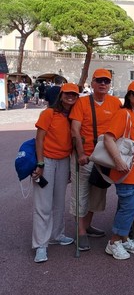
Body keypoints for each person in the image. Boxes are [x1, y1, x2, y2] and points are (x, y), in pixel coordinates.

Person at [70, 69, 122, 251]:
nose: (103, 84)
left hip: (104, 158)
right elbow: (75, 130)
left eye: (106, 81)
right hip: (85, 156)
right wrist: (81, 153)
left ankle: (87, 225)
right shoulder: (82, 103)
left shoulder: (116, 103)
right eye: (99, 80)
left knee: (97, 195)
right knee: (81, 194)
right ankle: (81, 232)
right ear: (92, 83)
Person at [103, 81, 134, 260]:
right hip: (126, 171)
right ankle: (114, 242)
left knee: (129, 208)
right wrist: (118, 160)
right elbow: (108, 139)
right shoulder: (124, 114)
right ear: (129, 96)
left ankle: (124, 238)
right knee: (128, 208)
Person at [32, 83, 80, 263]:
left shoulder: (73, 116)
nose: (71, 97)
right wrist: (40, 162)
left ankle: (57, 234)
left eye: (74, 95)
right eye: (67, 94)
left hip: (64, 161)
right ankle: (41, 245)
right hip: (47, 161)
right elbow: (40, 139)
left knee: (59, 201)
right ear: (61, 95)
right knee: (43, 204)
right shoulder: (48, 113)